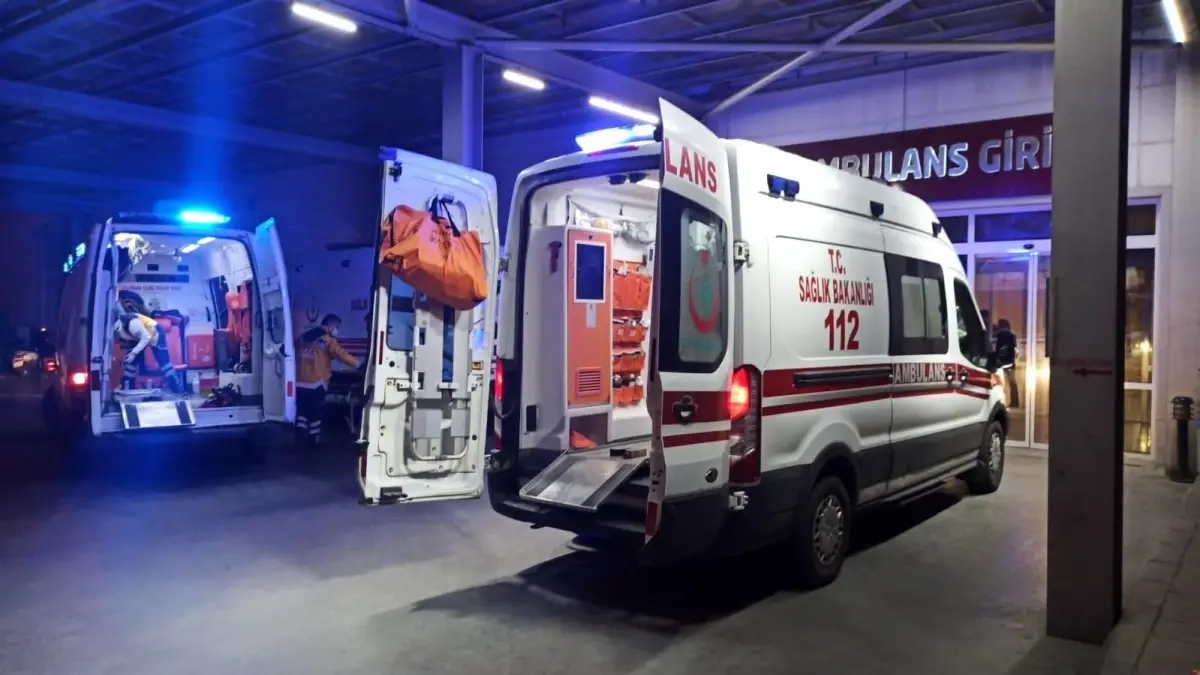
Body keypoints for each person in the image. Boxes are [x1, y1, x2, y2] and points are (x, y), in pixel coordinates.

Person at [296, 313, 361, 445]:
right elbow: (341, 355)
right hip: (316, 383)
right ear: (330, 325)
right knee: (315, 414)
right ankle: (312, 442)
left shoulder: (303, 337)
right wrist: (358, 365)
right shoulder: (327, 340)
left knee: (302, 413)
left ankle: (300, 439)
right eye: (336, 326)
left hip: (300, 382)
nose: (337, 330)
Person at [113, 312, 184, 393]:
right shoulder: (122, 324)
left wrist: (134, 353)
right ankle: (127, 388)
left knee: (165, 364)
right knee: (130, 364)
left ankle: (177, 389)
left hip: (155, 333)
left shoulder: (132, 324)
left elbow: (146, 337)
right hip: (139, 336)